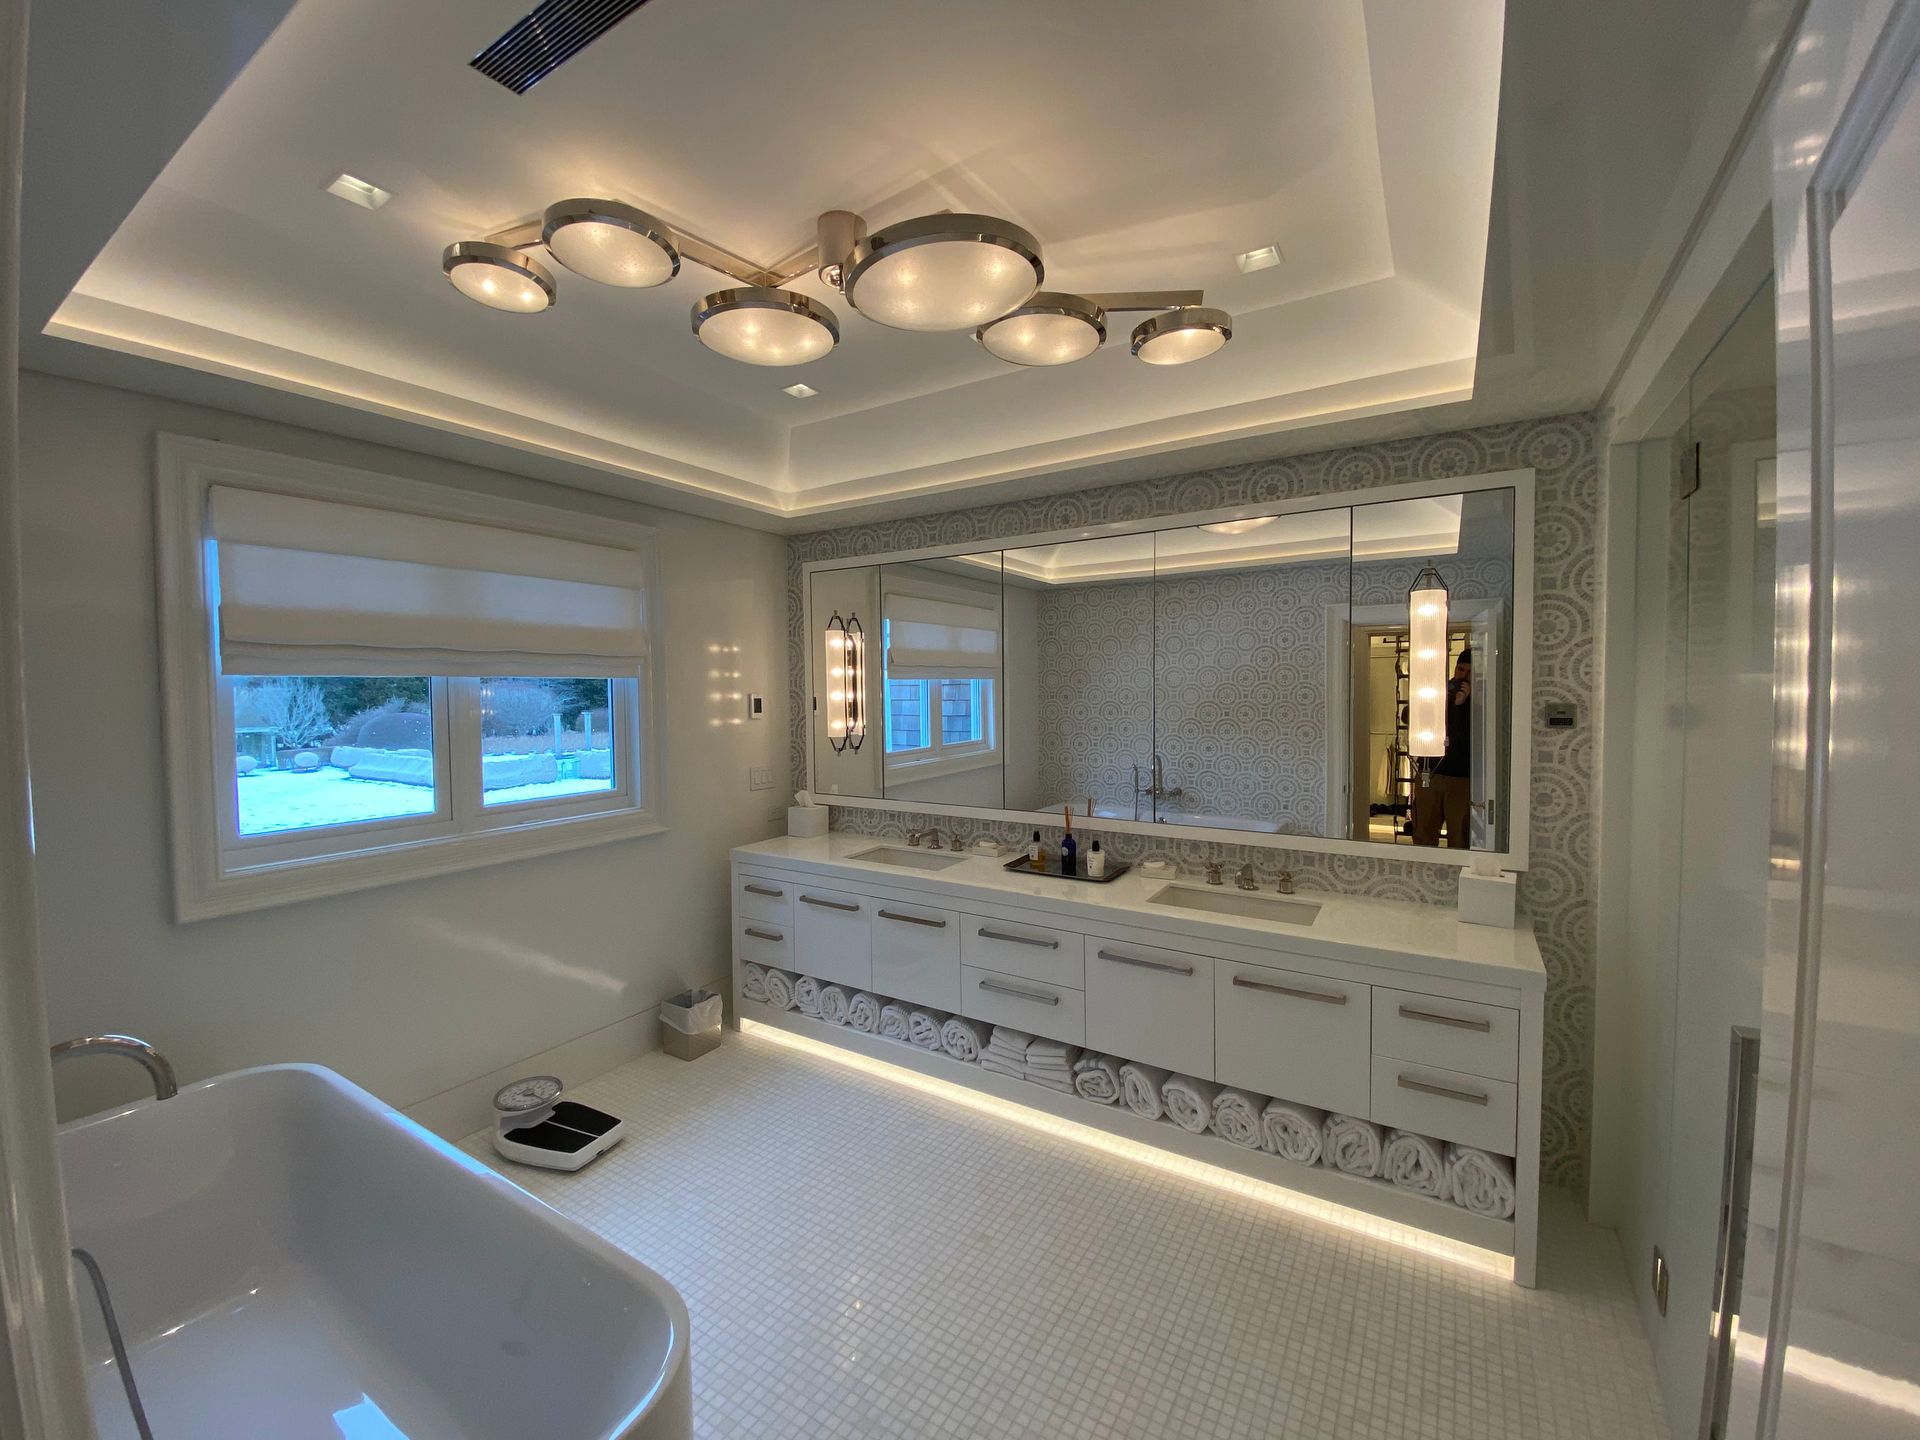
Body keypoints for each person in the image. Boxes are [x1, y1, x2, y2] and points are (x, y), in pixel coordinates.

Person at [1411, 647, 1472, 848]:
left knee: (1459, 836)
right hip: (1430, 771)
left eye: (1470, 672)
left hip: (1462, 777)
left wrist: (1464, 705)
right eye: (1460, 670)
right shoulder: (1436, 691)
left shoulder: (1481, 701)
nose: (1463, 676)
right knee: (1424, 834)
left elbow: (1468, 737)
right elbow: (1412, 718)